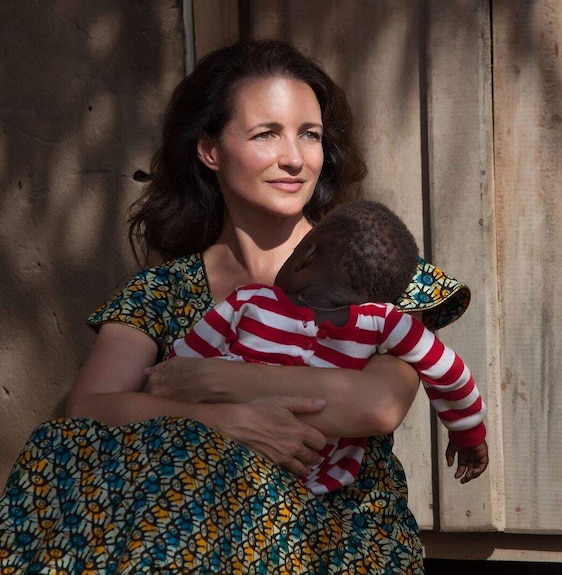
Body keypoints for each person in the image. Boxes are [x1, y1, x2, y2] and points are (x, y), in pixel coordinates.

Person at [0, 40, 471, 574]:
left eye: (309, 135)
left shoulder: (373, 267)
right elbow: (89, 410)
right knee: (65, 449)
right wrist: (223, 422)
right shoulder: (165, 290)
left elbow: (373, 404)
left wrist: (215, 380)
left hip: (335, 538)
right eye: (266, 134)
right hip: (190, 530)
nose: (294, 157)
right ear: (210, 150)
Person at [170, 199, 489, 495]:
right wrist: (467, 432)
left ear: (305, 256)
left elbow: (179, 369)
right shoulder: (385, 322)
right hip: (316, 478)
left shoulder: (248, 301)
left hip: (222, 459)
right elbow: (450, 371)